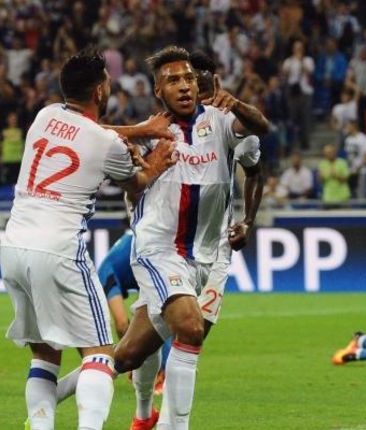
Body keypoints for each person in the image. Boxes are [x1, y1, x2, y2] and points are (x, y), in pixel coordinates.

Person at [0, 48, 176, 430]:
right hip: (61, 249)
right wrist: (158, 162)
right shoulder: (107, 144)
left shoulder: (45, 115)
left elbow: (91, 132)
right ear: (100, 91)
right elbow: (138, 184)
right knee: (100, 355)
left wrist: (140, 129)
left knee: (44, 356)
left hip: (13, 246)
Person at [119, 45, 269, 430]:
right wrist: (140, 169)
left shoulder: (224, 120)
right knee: (190, 328)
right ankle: (160, 421)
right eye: (179, 80)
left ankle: (58, 394)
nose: (190, 87)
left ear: (211, 82)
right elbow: (128, 183)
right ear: (159, 90)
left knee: (127, 356)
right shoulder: (153, 131)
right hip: (161, 249)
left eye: (194, 79)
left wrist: (247, 221)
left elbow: (258, 149)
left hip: (211, 254)